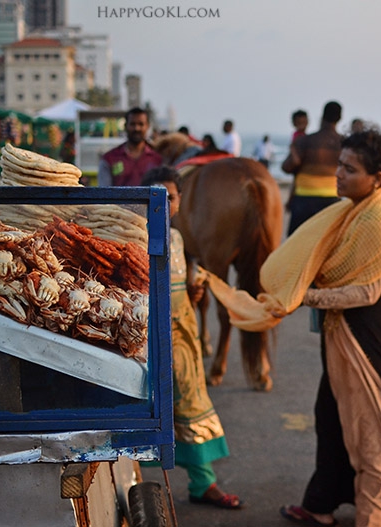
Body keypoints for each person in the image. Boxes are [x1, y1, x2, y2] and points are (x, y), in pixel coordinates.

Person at [207, 130, 381, 526]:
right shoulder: (354, 208)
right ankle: (320, 505)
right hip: (343, 335)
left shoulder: (379, 219)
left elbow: (365, 292)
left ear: (378, 178)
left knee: (371, 439)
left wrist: (302, 296)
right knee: (330, 419)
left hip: (366, 343)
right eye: (340, 165)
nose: (339, 175)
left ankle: (374, 516)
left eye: (350, 169)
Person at [140, 166, 243, 510]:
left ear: (181, 201)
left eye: (170, 196)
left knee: (189, 399)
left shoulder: (180, 239)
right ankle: (133, 481)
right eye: (157, 195)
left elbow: (179, 287)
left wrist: (193, 295)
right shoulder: (134, 236)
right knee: (142, 404)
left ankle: (203, 483)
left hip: (182, 336)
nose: (164, 202)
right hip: (143, 336)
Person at [282, 100, 343, 235]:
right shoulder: (343, 143)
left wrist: (293, 148)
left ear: (321, 117)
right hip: (332, 197)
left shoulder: (304, 141)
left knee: (296, 243)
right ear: (339, 118)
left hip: (304, 199)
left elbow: (287, 167)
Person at [98, 107, 162, 186]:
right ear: (125, 126)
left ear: (147, 126)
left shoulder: (158, 159)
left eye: (141, 124)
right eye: (132, 124)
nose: (136, 128)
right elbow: (104, 192)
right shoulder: (109, 159)